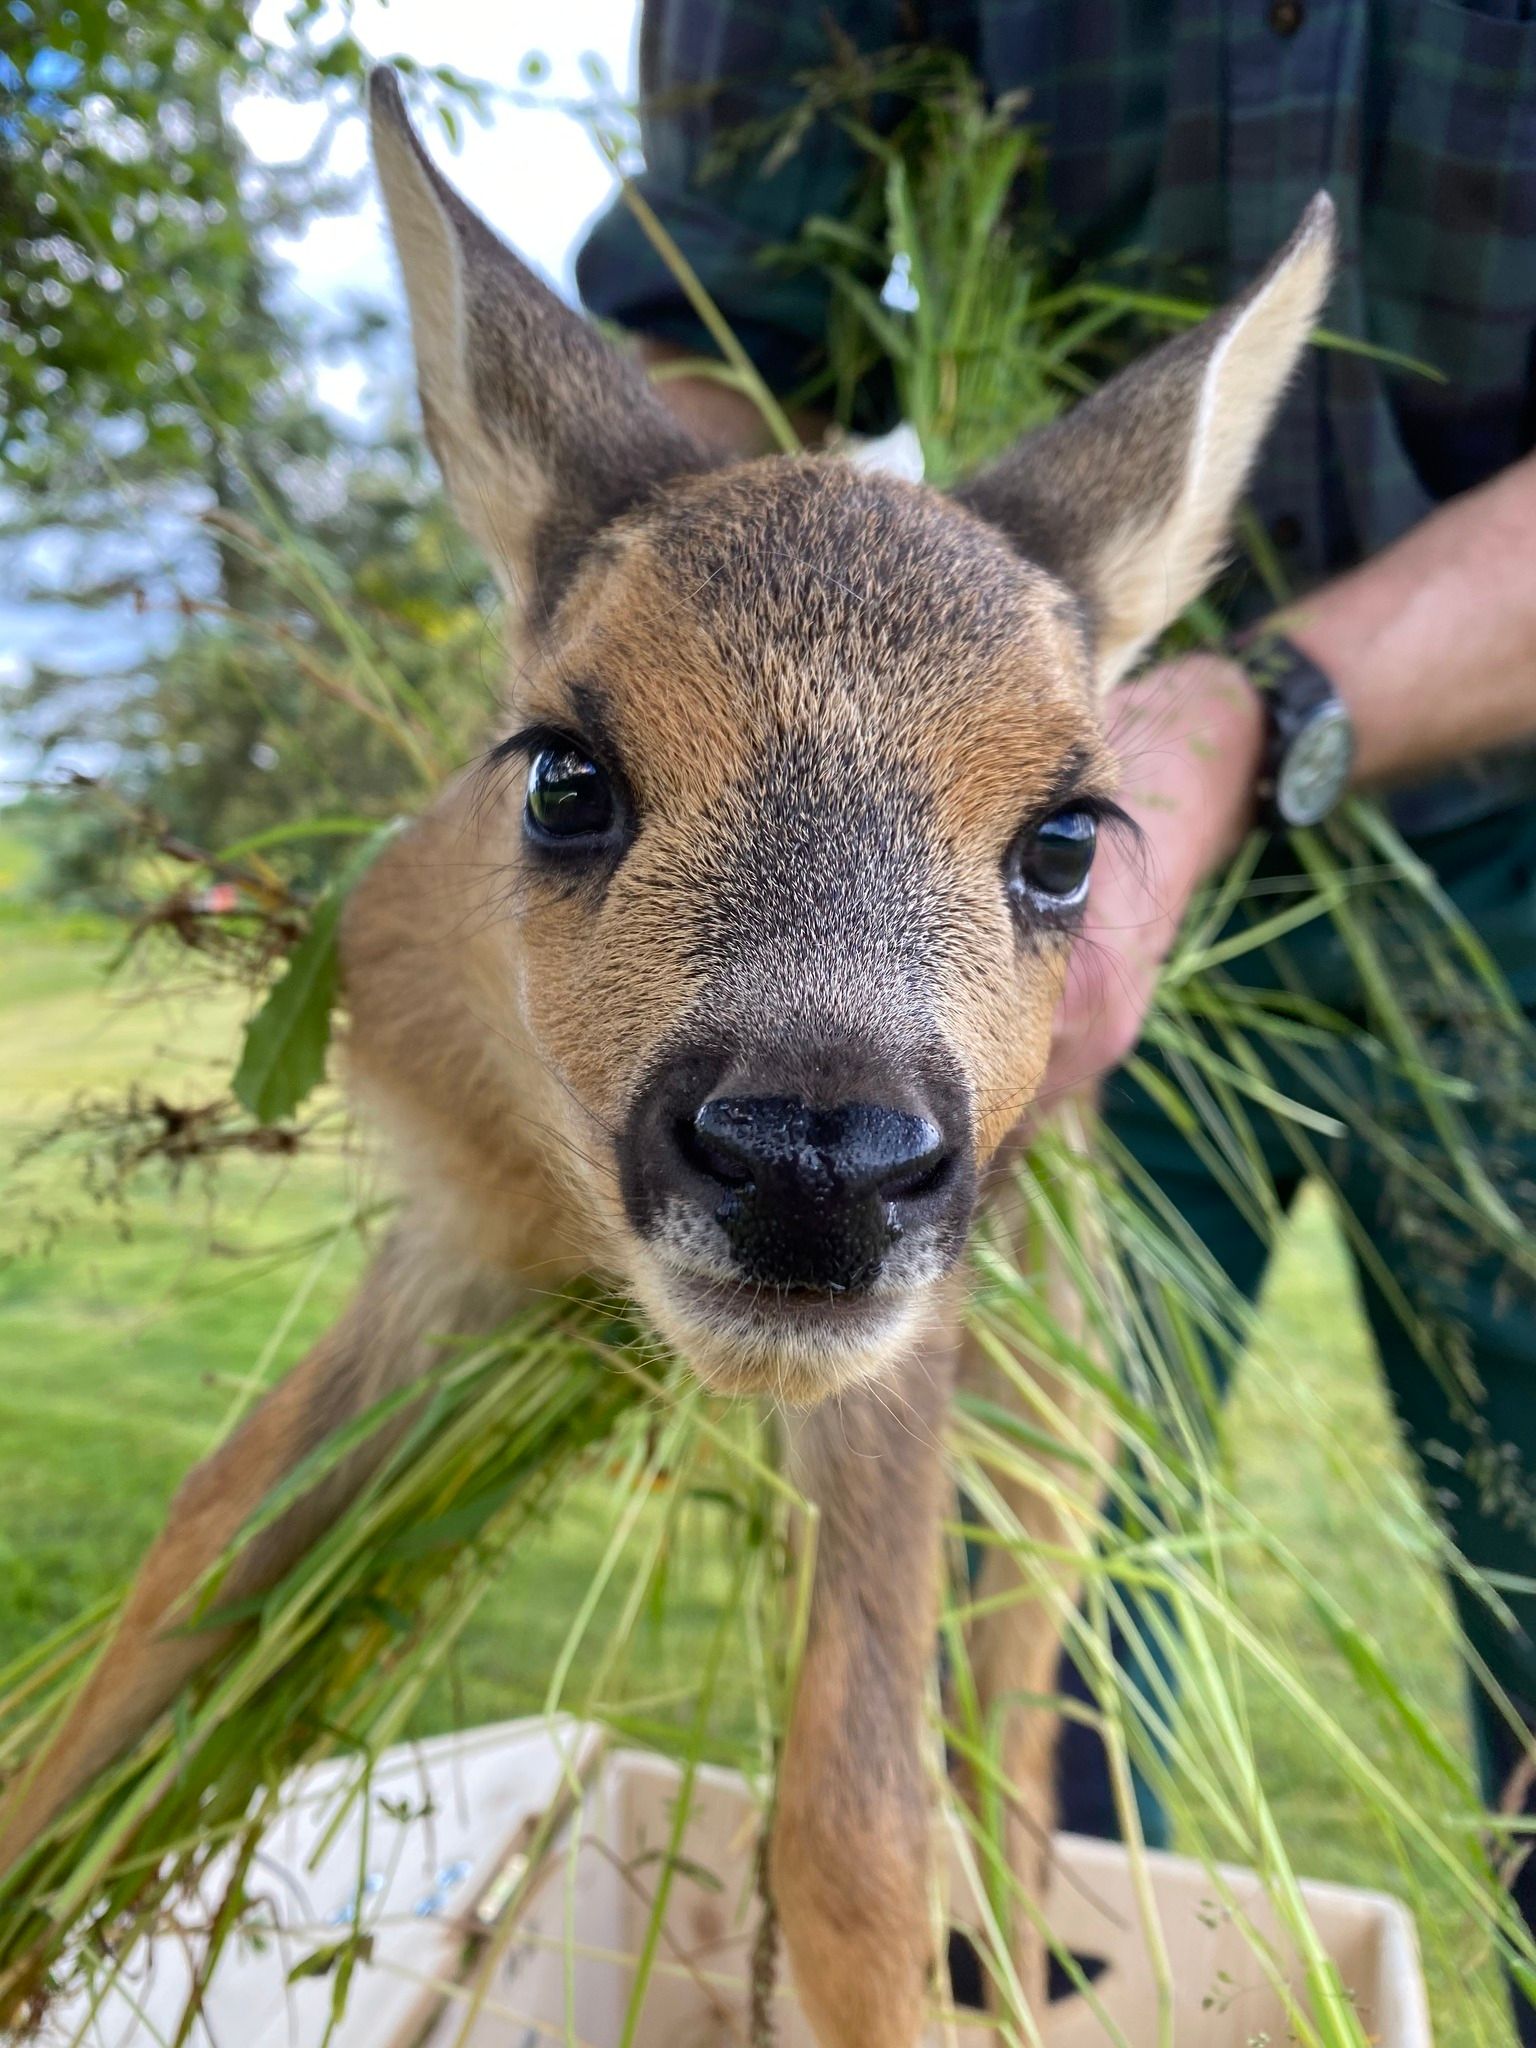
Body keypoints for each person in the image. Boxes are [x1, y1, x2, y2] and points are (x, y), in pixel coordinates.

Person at [576, 1, 1536, 2031]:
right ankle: (1016, 1979)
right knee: (1024, 1597)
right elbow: (729, 330)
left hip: (1483, 832)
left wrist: (1244, 707)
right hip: (1017, 914)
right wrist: (741, 851)